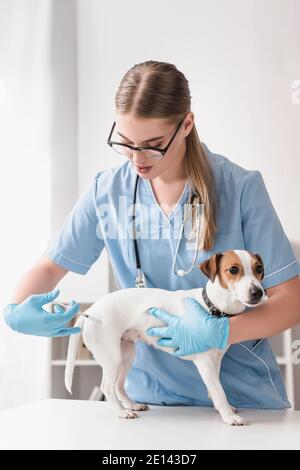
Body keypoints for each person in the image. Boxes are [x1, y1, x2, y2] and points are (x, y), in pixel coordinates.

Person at [4, 60, 300, 409]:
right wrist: (16, 309)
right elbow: (50, 268)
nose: (137, 158)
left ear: (187, 124)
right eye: (126, 142)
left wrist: (221, 333)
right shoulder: (107, 192)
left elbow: (291, 301)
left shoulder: (241, 188)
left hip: (242, 399)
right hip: (149, 401)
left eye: (153, 144)